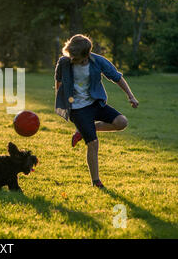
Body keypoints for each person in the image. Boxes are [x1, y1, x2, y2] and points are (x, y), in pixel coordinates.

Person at [54, 34, 139, 188]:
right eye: (70, 55)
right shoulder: (64, 62)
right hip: (77, 109)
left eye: (76, 57)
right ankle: (96, 182)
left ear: (86, 55)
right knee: (93, 143)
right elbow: (59, 80)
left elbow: (117, 77)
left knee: (122, 122)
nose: (72, 59)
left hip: (95, 103)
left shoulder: (98, 61)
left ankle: (84, 131)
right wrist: (61, 102)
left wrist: (131, 96)